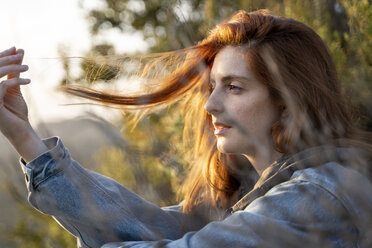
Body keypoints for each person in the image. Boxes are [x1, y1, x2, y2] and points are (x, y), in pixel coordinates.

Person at [1, 9, 371, 248]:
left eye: (234, 87)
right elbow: (144, 226)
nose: (211, 105)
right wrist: (24, 137)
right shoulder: (249, 194)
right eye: (213, 87)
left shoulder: (321, 197)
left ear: (288, 100)